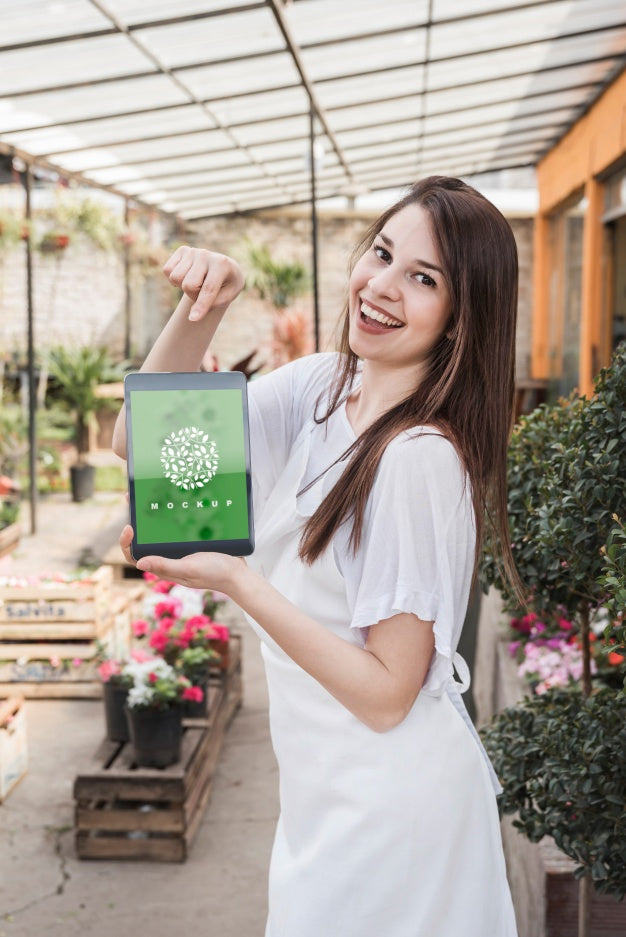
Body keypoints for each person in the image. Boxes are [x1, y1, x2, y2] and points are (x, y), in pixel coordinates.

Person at [113, 176, 520, 937]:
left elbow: (388, 694)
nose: (382, 286)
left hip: (391, 811)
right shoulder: (324, 388)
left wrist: (238, 582)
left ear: (462, 319)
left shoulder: (418, 457)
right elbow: (140, 442)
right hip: (321, 794)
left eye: (424, 279)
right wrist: (204, 308)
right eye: (383, 254)